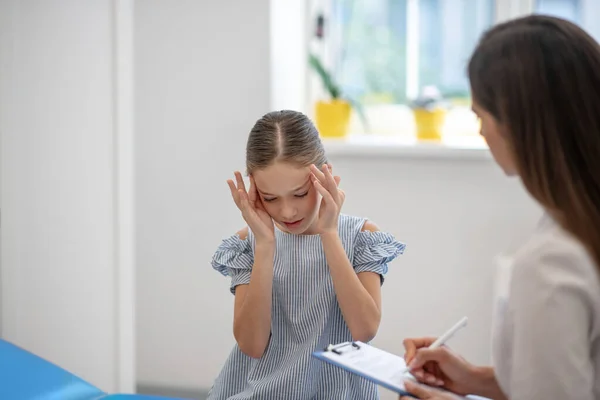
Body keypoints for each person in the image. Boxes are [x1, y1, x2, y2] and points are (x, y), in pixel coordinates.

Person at [399, 14, 600, 400]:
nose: (480, 130)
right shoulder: (576, 224)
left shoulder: (550, 264)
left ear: (516, 123)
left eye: (480, 115)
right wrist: (478, 379)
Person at [207, 110, 406, 399]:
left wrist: (329, 234)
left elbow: (364, 329)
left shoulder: (361, 237)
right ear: (254, 190)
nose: (287, 211)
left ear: (324, 177)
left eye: (300, 194)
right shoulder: (247, 244)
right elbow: (252, 345)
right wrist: (264, 246)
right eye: (270, 198)